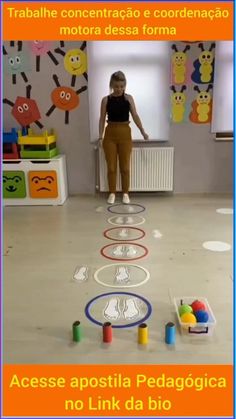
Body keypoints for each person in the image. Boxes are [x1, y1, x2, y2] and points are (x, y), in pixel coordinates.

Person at [98, 71, 149, 204]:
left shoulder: (128, 98)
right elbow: (102, 119)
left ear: (125, 85)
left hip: (125, 133)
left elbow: (135, 116)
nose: (119, 89)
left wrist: (143, 131)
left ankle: (126, 193)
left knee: (125, 167)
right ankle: (112, 193)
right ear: (111, 85)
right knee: (111, 167)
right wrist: (100, 136)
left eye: (121, 86)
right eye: (116, 86)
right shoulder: (105, 100)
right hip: (110, 135)